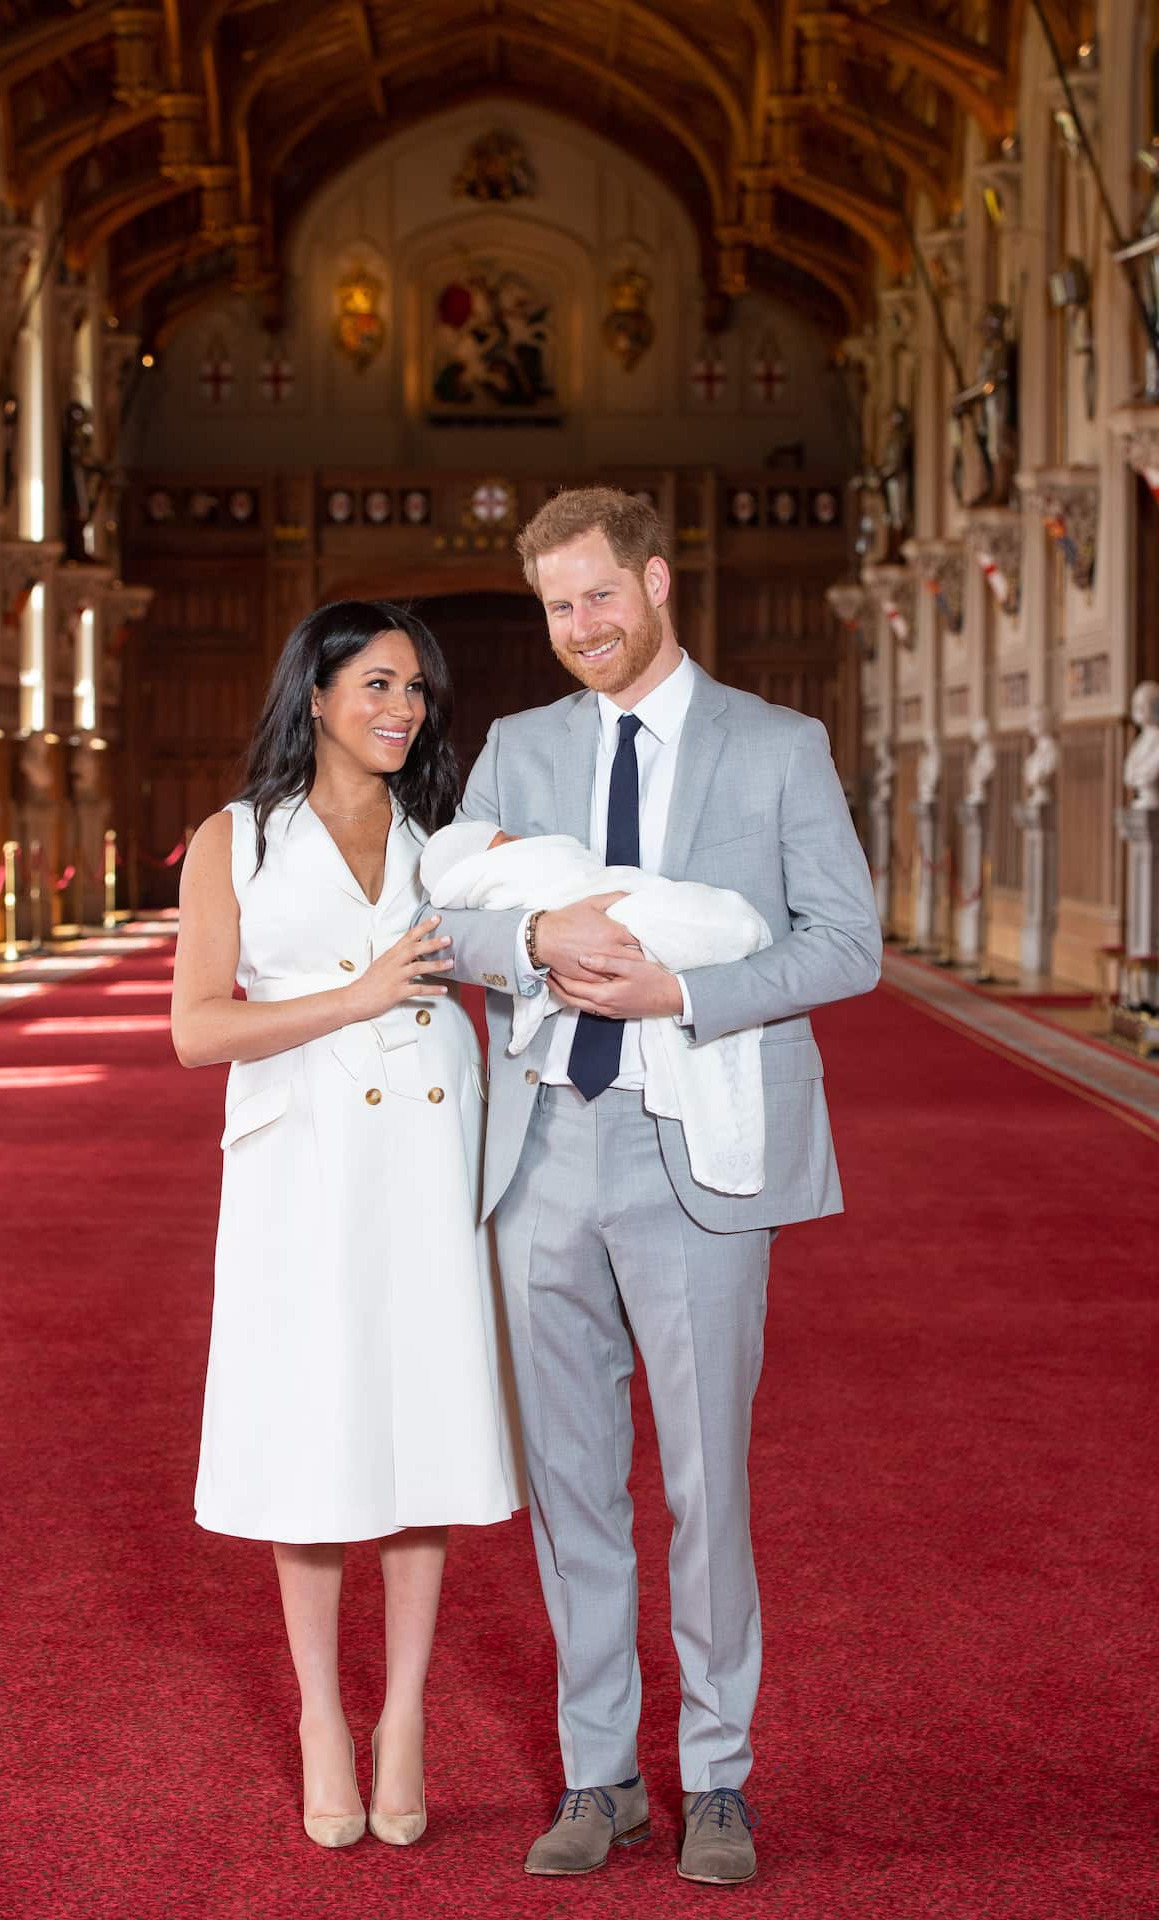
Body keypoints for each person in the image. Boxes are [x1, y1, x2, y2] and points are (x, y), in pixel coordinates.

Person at [434, 488, 882, 1887]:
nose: (581, 629)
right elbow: (448, 917)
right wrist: (537, 935)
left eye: (598, 597)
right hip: (546, 1152)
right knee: (571, 1484)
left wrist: (682, 986)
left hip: (700, 1147)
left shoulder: (778, 745)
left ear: (657, 581)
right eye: (558, 609)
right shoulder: (517, 748)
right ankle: (600, 1774)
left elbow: (847, 945)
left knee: (705, 1486)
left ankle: (721, 1779)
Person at [170, 600, 523, 1853]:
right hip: (302, 1164)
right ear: (313, 695)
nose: (400, 709)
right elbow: (198, 1029)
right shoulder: (236, 841)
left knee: (420, 1424)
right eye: (376, 683)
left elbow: (520, 942)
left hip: (429, 1151)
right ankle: (326, 1713)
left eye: (416, 690)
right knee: (317, 1436)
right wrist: (356, 993)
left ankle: (407, 1716)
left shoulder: (448, 841)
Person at [420, 819, 772, 1196]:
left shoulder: (785, 757)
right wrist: (536, 938)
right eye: (506, 841)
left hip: (668, 1111)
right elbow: (431, 927)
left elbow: (840, 938)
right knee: (676, 923)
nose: (520, 840)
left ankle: (732, 926)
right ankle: (731, 927)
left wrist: (680, 994)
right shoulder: (503, 783)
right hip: (542, 1120)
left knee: (684, 916)